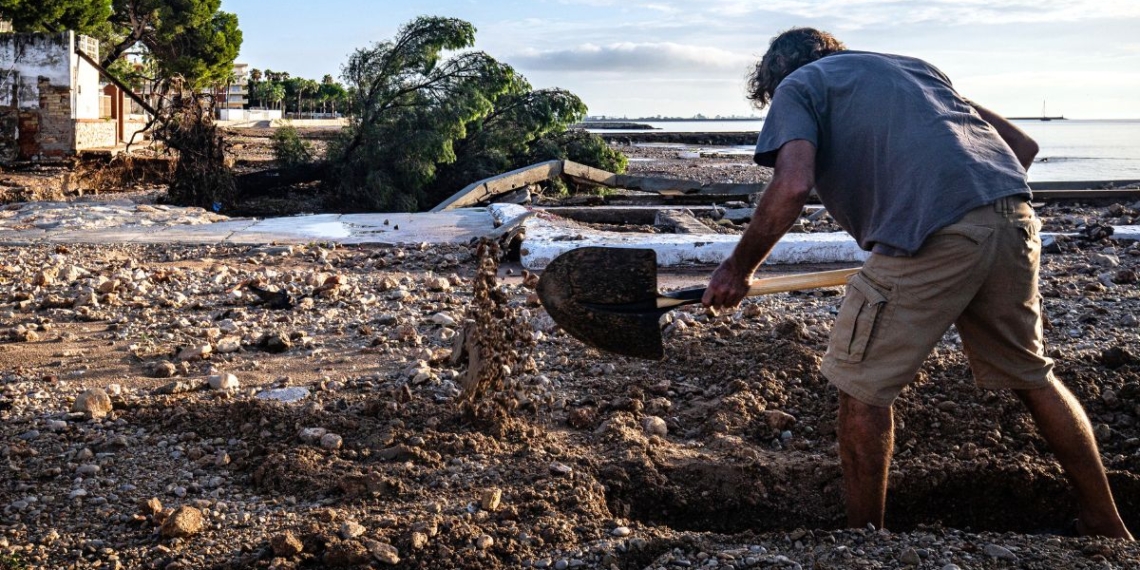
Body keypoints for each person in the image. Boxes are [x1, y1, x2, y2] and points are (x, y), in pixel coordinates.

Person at [701, 27, 1133, 539]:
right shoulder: (914, 69)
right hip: (1013, 219)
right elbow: (1022, 146)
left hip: (931, 234)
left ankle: (864, 540)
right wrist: (963, 215)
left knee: (860, 384)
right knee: (1031, 375)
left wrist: (737, 269)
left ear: (776, 78)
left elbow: (792, 184)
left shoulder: (799, 85)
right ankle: (1104, 520)